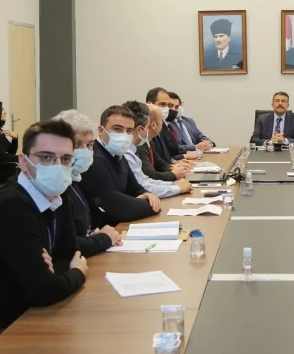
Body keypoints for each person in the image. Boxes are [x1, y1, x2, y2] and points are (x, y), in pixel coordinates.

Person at [0, 120, 88, 354]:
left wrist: (53, 271)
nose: (57, 167)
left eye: (65, 159)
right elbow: (44, 290)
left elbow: (68, 253)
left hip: (25, 317)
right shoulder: (12, 207)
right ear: (24, 162)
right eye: (46, 157)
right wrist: (77, 273)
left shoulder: (56, 195)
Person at [53, 110, 123, 257]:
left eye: (90, 144)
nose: (85, 151)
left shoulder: (75, 179)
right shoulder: (54, 185)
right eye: (77, 144)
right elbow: (62, 245)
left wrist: (92, 235)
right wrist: (103, 239)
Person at [78, 105, 160, 225]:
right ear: (101, 130)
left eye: (129, 131)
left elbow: (136, 188)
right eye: (117, 129)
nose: (124, 135)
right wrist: (151, 204)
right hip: (101, 228)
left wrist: (148, 195)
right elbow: (119, 208)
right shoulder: (94, 159)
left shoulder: (118, 154)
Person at [122, 100, 193, 198]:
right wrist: (177, 187)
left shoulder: (133, 150)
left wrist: (174, 184)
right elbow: (144, 185)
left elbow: (145, 180)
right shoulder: (130, 150)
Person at [146, 87, 199, 163]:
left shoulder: (163, 125)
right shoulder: (146, 129)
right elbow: (157, 161)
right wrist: (182, 157)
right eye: (162, 105)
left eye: (167, 105)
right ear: (150, 104)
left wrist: (185, 154)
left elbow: (172, 151)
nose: (167, 109)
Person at [0, 100, 20, 185]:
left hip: (6, 168)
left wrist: (15, 138)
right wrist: (22, 158)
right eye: (2, 110)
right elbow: (2, 157)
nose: (5, 112)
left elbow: (11, 152)